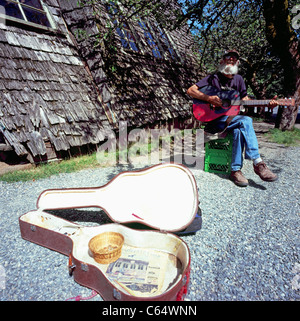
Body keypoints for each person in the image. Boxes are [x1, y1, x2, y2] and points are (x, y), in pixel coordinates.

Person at [187, 49, 278, 187]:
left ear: (237, 62)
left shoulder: (239, 79)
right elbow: (190, 90)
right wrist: (209, 98)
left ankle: (235, 170)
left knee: (239, 129)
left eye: (234, 58)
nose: (231, 59)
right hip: (214, 121)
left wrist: (266, 103)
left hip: (230, 121)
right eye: (228, 57)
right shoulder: (213, 78)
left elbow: (245, 99)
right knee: (246, 121)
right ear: (222, 61)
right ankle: (258, 162)